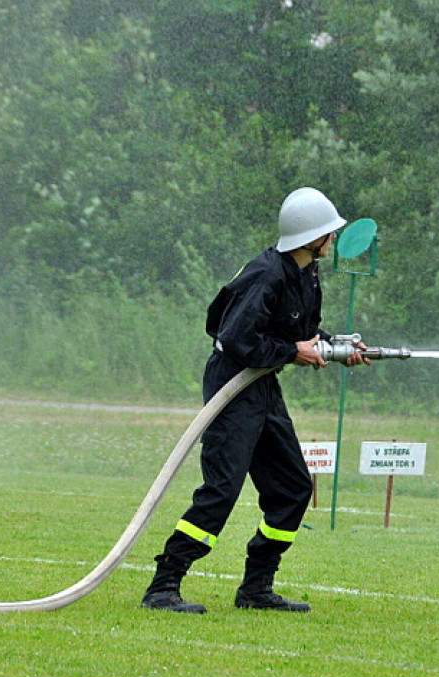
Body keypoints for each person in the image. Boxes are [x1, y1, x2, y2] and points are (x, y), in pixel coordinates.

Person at [140, 187, 369, 614]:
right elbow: (237, 338)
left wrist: (338, 349)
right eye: (329, 233)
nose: (334, 239)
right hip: (234, 382)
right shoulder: (267, 274)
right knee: (222, 489)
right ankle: (163, 586)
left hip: (262, 385)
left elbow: (301, 333)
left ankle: (256, 590)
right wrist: (292, 353)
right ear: (310, 238)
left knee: (293, 487)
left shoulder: (306, 274)